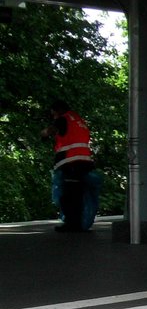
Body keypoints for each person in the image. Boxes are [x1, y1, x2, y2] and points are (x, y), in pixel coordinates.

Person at [42, 99, 96, 232]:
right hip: (84, 161)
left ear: (59, 110)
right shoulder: (78, 120)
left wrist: (43, 133)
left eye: (53, 113)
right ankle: (78, 222)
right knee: (78, 193)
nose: (54, 116)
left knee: (69, 195)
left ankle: (72, 224)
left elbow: (51, 131)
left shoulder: (63, 119)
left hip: (70, 162)